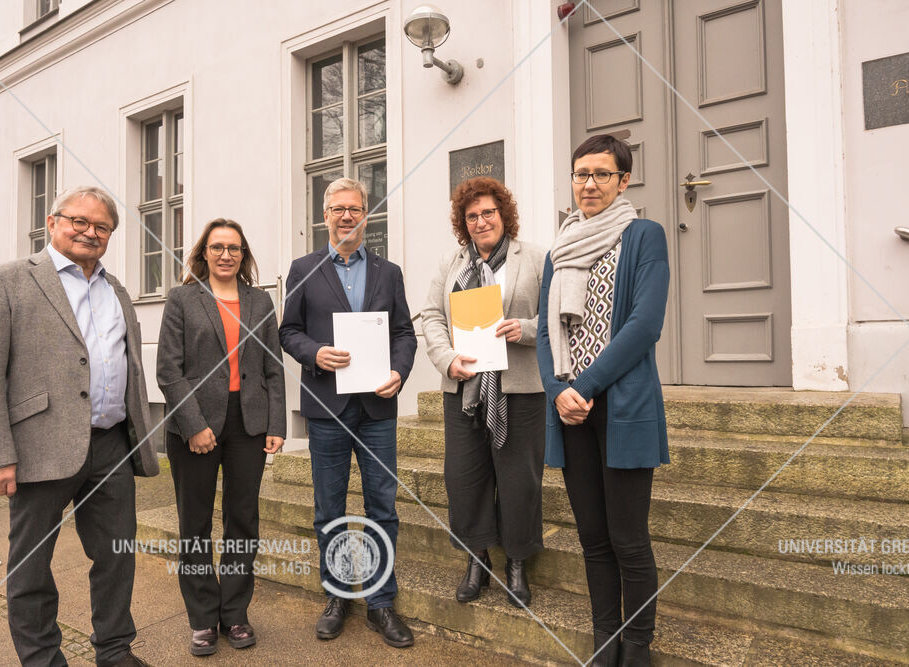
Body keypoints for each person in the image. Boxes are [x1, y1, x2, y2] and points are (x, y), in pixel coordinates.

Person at [0, 185, 159, 667]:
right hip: (37, 448)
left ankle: (114, 651)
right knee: (30, 568)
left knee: (116, 558)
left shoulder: (118, 291)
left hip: (111, 446)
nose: (90, 232)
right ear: (52, 223)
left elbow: (126, 366)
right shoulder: (7, 280)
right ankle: (43, 659)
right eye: (79, 221)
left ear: (111, 235)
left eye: (102, 227)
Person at [536, 135, 670, 667]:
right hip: (569, 410)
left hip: (622, 407)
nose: (588, 184)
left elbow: (644, 325)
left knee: (628, 540)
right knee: (592, 538)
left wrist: (582, 388)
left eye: (600, 174)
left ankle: (638, 648)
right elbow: (547, 334)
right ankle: (605, 641)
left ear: (623, 181)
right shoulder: (559, 248)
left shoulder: (644, 236)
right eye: (579, 174)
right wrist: (556, 390)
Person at [279, 177, 418, 648]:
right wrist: (314, 353)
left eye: (354, 209)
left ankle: (381, 603)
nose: (346, 216)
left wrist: (400, 370)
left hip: (377, 406)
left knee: (383, 506)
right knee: (329, 509)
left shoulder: (388, 272)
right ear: (325, 216)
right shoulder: (303, 268)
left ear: (365, 214)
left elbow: (404, 333)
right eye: (337, 209)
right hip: (327, 407)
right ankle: (338, 595)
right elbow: (288, 331)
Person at [156, 218, 286, 656]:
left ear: (243, 254)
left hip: (247, 422)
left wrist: (276, 424)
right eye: (217, 247)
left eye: (233, 248)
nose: (225, 254)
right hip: (194, 423)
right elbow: (168, 371)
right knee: (194, 523)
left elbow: (273, 367)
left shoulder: (260, 301)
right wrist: (193, 425)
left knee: (242, 519)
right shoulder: (182, 299)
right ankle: (202, 619)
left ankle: (234, 614)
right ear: (204, 253)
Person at [420, 177, 545, 607]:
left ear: (503, 214)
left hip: (520, 388)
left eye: (488, 213)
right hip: (463, 387)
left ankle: (516, 562)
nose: (480, 221)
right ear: (463, 222)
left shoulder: (535, 258)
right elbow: (432, 317)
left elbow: (555, 321)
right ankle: (477, 560)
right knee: (465, 478)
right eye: (471, 216)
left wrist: (525, 329)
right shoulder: (451, 263)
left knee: (518, 480)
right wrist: (447, 359)